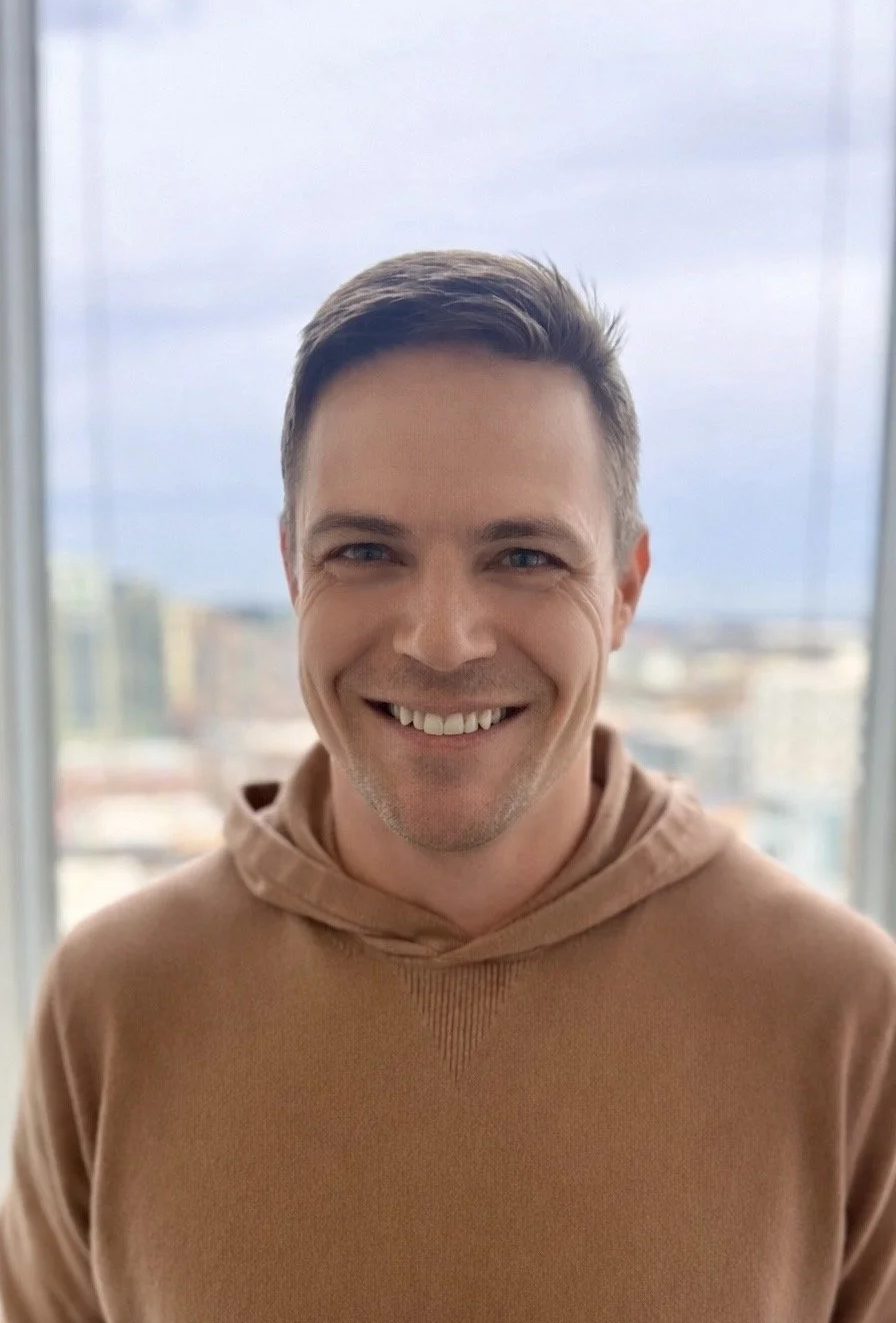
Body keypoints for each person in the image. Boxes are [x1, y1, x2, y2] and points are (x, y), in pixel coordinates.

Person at [1, 251, 894, 1321]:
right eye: (366, 550)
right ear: (292, 572)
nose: (438, 639)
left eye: (521, 558)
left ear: (623, 589)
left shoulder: (841, 1016)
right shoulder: (113, 1005)